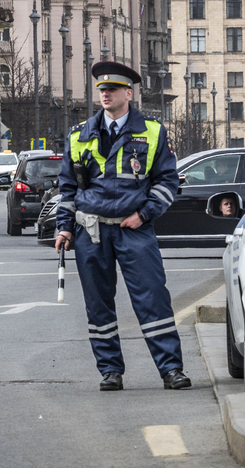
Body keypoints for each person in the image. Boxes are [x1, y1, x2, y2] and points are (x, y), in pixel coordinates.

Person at [54, 60, 191, 392]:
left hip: (134, 229)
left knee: (153, 299)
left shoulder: (153, 131)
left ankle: (171, 369)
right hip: (92, 231)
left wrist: (144, 215)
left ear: (128, 93)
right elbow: (68, 187)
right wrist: (64, 227)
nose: (105, 95)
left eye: (112, 90)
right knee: (98, 304)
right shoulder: (79, 136)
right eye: (101, 90)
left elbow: (166, 182)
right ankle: (110, 371)